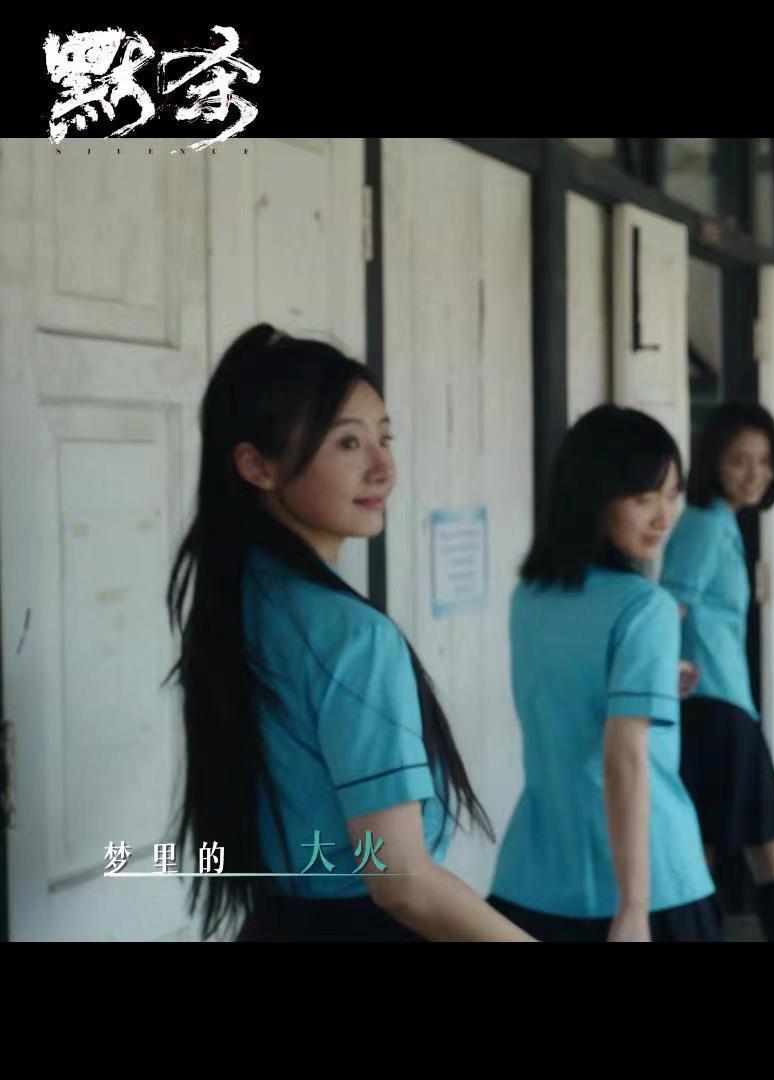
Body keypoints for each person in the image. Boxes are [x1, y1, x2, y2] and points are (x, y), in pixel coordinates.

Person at [168, 324, 532, 941]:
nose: (383, 467)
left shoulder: (235, 603)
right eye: (347, 443)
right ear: (257, 465)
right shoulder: (352, 637)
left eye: (384, 438)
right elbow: (401, 882)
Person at [486, 405, 721, 942]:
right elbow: (624, 757)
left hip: (536, 872)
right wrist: (633, 906)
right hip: (648, 880)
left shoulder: (532, 596)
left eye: (672, 494)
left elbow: (570, 692)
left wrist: (654, 676)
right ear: (593, 499)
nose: (665, 516)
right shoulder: (645, 606)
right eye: (644, 498)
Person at [660, 403, 774, 942]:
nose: (754, 473)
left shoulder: (722, 522)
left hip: (722, 705)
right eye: (739, 460)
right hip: (714, 709)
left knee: (720, 853)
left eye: (764, 461)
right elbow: (670, 609)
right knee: (758, 851)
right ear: (713, 461)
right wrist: (659, 678)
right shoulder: (704, 524)